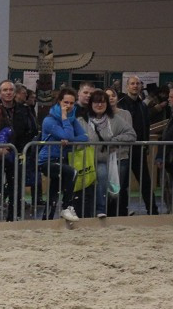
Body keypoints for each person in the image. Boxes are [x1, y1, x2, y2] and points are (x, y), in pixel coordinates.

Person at [79, 89, 135, 219]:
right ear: (91, 104)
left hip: (106, 159)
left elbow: (131, 134)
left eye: (103, 103)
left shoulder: (115, 120)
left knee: (105, 180)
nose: (99, 105)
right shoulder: (82, 119)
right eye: (96, 102)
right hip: (85, 161)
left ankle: (101, 209)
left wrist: (114, 141)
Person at [36, 87, 86, 222]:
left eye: (71, 103)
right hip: (47, 161)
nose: (68, 106)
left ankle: (46, 220)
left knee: (54, 191)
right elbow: (68, 135)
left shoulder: (73, 119)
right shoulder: (49, 120)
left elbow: (84, 137)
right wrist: (64, 118)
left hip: (62, 159)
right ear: (59, 102)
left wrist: (69, 139)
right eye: (65, 103)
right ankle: (67, 206)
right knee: (72, 173)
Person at [0, 79, 39, 221]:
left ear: (14, 92)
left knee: (17, 185)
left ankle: (14, 216)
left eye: (10, 90)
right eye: (5, 90)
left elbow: (32, 129)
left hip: (19, 153)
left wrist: (20, 147)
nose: (8, 93)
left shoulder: (24, 109)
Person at [117, 76, 154, 215]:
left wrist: (146, 144)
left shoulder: (143, 105)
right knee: (123, 183)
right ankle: (123, 211)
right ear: (127, 86)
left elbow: (146, 126)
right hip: (124, 150)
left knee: (145, 182)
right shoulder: (120, 105)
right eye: (132, 83)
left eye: (138, 83)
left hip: (139, 149)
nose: (135, 86)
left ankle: (153, 210)